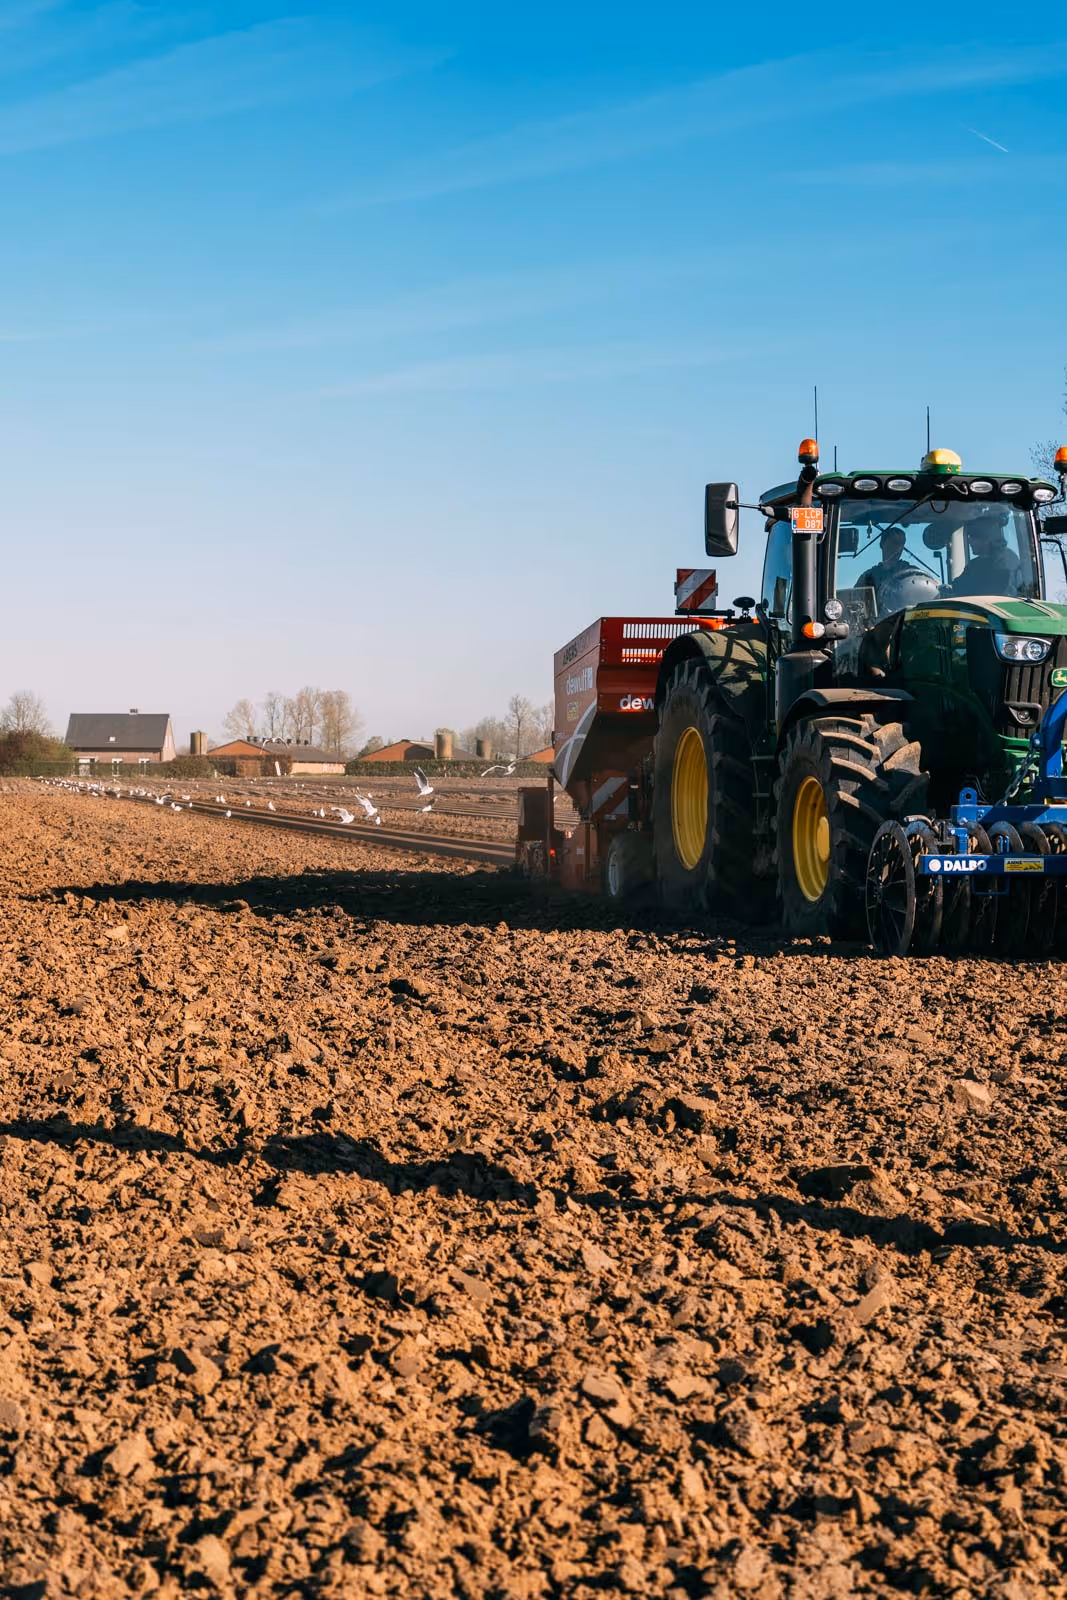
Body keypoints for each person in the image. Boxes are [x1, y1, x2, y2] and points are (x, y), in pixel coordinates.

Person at [949, 515, 1022, 597]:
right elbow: (958, 586)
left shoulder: (1006, 560)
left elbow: (997, 591)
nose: (969, 541)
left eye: (972, 536)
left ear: (986, 538)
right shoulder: (975, 564)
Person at [857, 527, 911, 607]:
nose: (899, 548)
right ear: (882, 544)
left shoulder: (912, 573)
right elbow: (854, 600)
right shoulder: (868, 577)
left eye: (902, 544)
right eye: (894, 543)